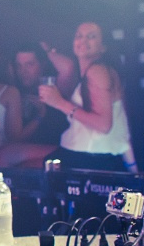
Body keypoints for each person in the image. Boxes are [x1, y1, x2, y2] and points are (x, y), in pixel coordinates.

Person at [38, 21, 138, 172]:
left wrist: (59, 103)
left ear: (103, 47)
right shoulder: (95, 71)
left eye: (91, 37)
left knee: (17, 164)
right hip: (84, 152)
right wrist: (132, 166)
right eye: (79, 36)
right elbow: (122, 126)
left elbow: (104, 125)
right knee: (10, 155)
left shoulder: (97, 72)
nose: (83, 41)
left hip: (89, 158)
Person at [0, 44, 68, 168]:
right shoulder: (14, 93)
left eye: (29, 64)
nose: (24, 71)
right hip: (21, 157)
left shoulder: (55, 92)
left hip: (57, 155)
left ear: (42, 65)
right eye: (19, 66)